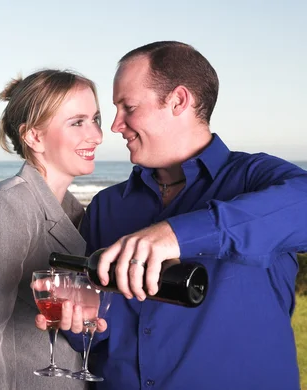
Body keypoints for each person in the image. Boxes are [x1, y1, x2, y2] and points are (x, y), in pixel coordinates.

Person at [37, 41, 307, 389]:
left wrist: (175, 235)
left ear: (179, 100)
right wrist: (84, 322)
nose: (115, 126)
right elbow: (104, 331)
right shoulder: (107, 206)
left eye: (128, 107)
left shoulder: (255, 178)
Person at [0, 69, 103, 389]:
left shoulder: (73, 210)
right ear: (34, 136)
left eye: (95, 119)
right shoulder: (5, 208)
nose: (96, 135)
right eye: (77, 122)